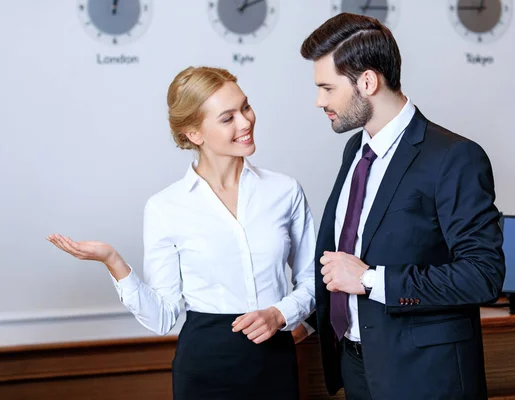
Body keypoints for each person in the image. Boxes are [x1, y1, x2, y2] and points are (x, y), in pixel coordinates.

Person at [47, 66, 315, 400]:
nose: (246, 122)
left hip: (275, 360)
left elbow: (312, 281)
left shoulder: (285, 191)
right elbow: (162, 317)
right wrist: (113, 261)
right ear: (194, 134)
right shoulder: (165, 207)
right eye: (227, 117)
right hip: (204, 367)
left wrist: (280, 314)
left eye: (245, 107)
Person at [300, 13, 505, 400]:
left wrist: (369, 279)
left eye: (327, 88)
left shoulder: (454, 157)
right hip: (357, 366)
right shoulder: (354, 151)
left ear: (367, 81)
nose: (319, 101)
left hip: (424, 377)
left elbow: (483, 275)